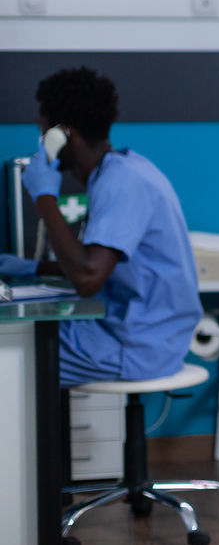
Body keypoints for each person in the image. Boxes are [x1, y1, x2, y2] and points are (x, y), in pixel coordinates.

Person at [0, 67, 201, 386]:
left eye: (43, 133)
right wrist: (35, 267)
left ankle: (43, 437)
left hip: (137, 344)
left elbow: (88, 278)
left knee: (13, 351)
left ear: (62, 135)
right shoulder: (122, 170)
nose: (40, 142)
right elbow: (101, 263)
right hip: (142, 332)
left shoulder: (120, 182)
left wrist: (44, 197)